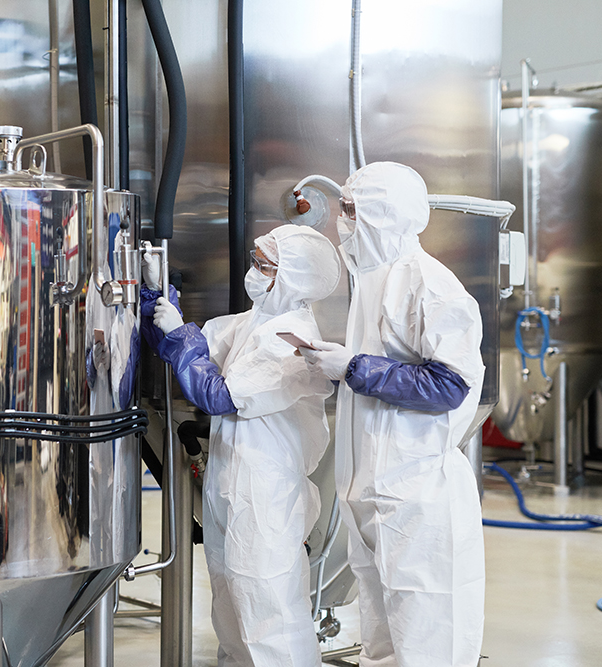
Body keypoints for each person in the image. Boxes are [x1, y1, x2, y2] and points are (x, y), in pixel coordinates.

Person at [301, 161, 486, 667]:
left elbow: (450, 384)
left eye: (353, 211)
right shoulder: (373, 280)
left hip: (415, 492)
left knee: (426, 632)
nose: (343, 223)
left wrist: (355, 367)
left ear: (386, 215)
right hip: (371, 490)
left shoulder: (432, 286)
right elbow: (384, 365)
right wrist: (338, 364)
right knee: (382, 634)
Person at [145, 224, 341, 667]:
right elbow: (191, 348)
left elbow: (220, 394)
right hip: (231, 482)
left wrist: (178, 336)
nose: (253, 271)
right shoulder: (256, 321)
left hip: (266, 492)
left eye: (263, 265)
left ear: (291, 279)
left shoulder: (292, 341)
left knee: (268, 608)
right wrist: (157, 296)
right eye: (254, 260)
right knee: (231, 604)